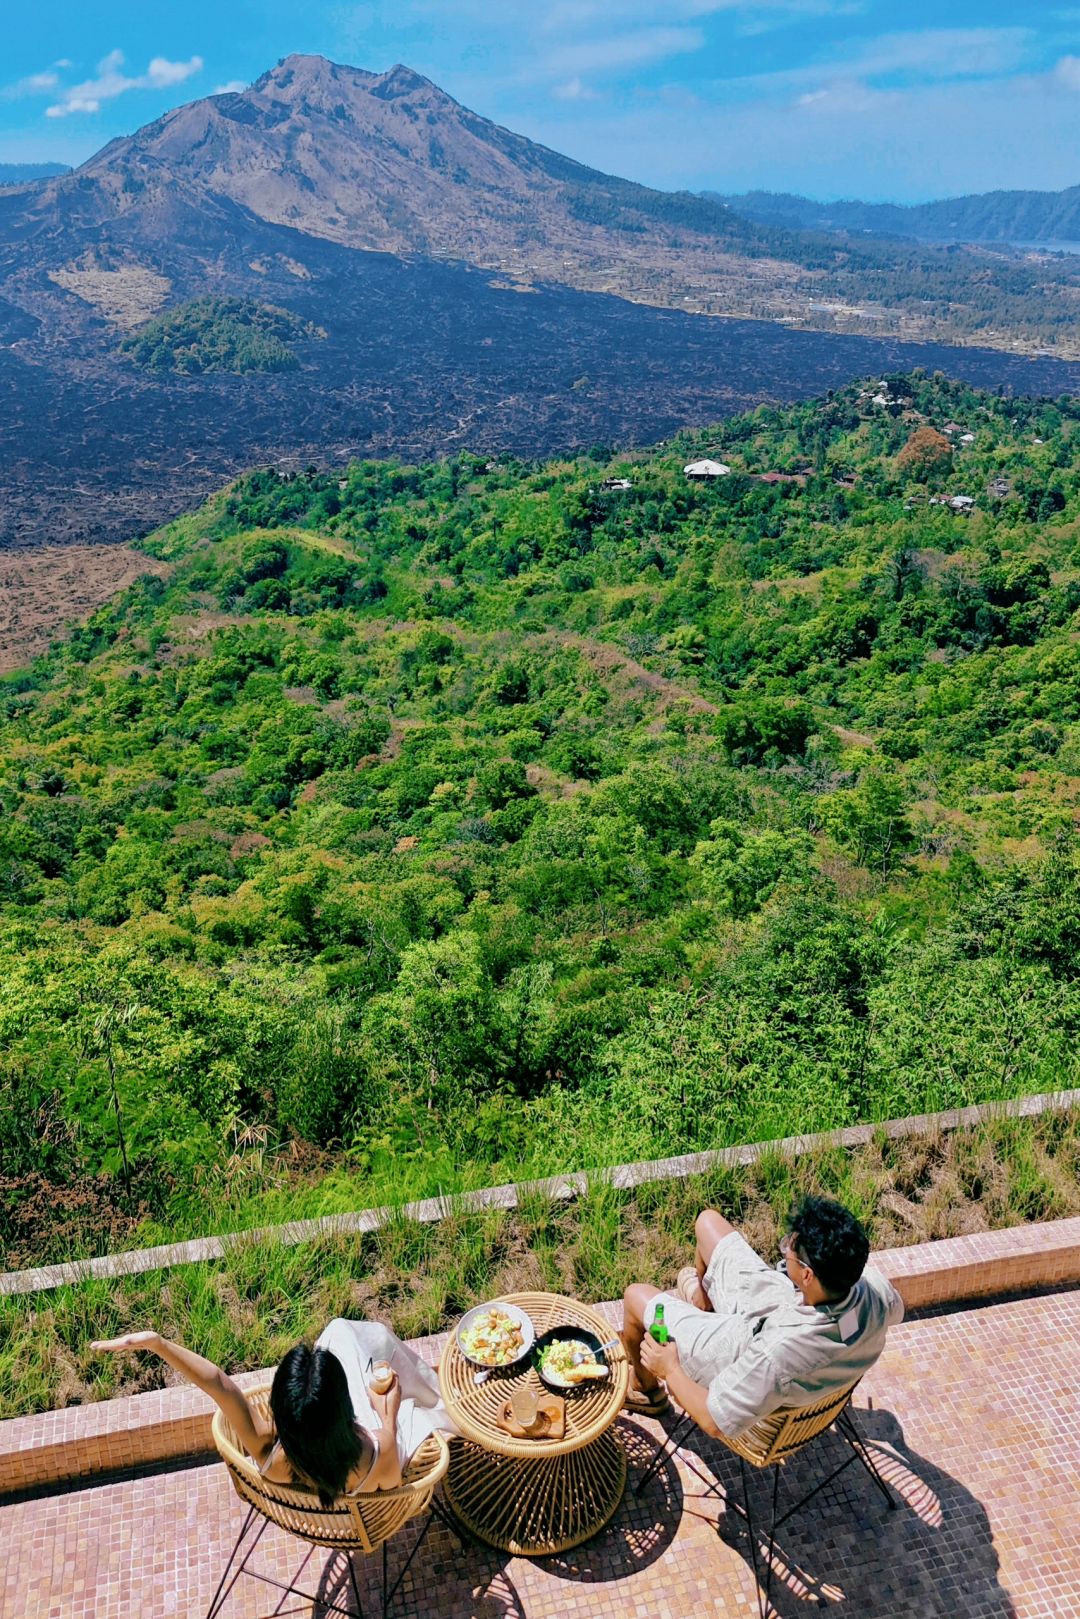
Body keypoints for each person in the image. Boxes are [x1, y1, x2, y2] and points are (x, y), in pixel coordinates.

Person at [621, 1195, 904, 1438]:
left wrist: (670, 1368)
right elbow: (894, 1313)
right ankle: (703, 1301)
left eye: (790, 1248)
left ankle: (646, 1389)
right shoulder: (875, 1289)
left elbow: (713, 1421)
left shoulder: (775, 1356)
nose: (786, 1250)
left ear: (807, 1274)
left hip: (738, 1349)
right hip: (783, 1308)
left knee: (636, 1296)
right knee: (707, 1222)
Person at [91, 1317, 458, 1504]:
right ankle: (444, 1400)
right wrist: (387, 1413)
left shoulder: (268, 1452)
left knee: (338, 1334)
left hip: (330, 1488)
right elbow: (391, 1484)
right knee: (356, 1338)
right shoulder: (378, 1451)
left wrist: (160, 1345)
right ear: (343, 1408)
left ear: (281, 1412)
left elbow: (219, 1384)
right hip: (366, 1486)